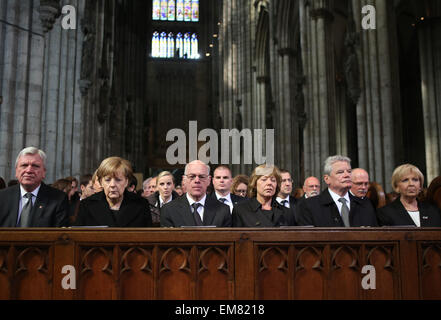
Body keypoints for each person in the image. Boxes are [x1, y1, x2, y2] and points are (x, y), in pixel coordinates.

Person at [295, 155, 378, 227]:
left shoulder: (365, 204)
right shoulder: (309, 206)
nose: (347, 175)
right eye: (340, 172)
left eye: (349, 171)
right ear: (327, 179)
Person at [0, 147, 69, 227]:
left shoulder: (58, 199)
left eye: (35, 166)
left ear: (44, 172)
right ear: (16, 171)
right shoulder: (2, 197)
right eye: (24, 165)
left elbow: (59, 235)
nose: (29, 170)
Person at [75, 157, 152, 227]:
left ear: (126, 182)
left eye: (118, 180)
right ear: (101, 182)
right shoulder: (87, 205)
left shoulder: (141, 204)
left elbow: (148, 237)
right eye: (107, 180)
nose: (112, 185)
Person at [160, 160, 231, 227]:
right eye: (192, 176)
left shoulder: (223, 210)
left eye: (201, 177)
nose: (197, 180)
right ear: (184, 180)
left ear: (209, 180)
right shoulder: (169, 210)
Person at [376, 164, 441, 227]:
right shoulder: (385, 213)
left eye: (415, 180)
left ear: (420, 186)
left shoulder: (433, 211)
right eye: (405, 180)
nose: (411, 184)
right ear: (396, 186)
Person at [232, 165, 296, 227]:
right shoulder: (241, 210)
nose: (269, 183)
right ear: (255, 184)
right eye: (264, 179)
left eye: (273, 180)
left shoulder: (287, 212)